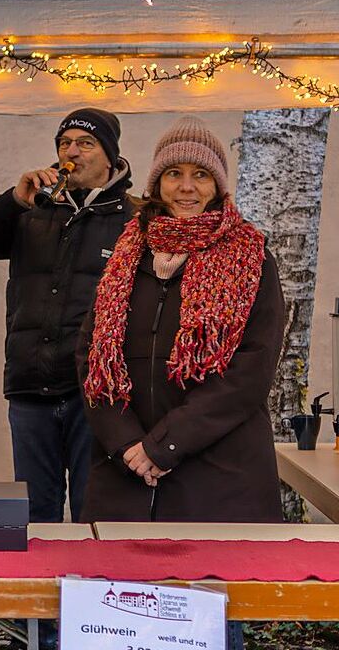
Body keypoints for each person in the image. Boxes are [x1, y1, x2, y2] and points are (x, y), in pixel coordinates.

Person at [77, 116, 285, 524]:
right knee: (119, 587)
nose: (186, 187)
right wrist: (127, 445)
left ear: (218, 185)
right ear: (157, 183)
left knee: (217, 587)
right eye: (174, 173)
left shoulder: (251, 259)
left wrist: (164, 446)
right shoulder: (126, 255)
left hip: (221, 480)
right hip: (125, 476)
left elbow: (252, 369)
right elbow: (90, 356)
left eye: (200, 174)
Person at [0, 108, 134, 523]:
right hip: (30, 388)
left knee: (95, 511)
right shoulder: (32, 209)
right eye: (64, 143)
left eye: (85, 143)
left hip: (95, 395)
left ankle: (93, 585)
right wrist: (13, 201)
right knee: (36, 516)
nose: (72, 151)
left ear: (110, 157)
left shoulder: (133, 219)